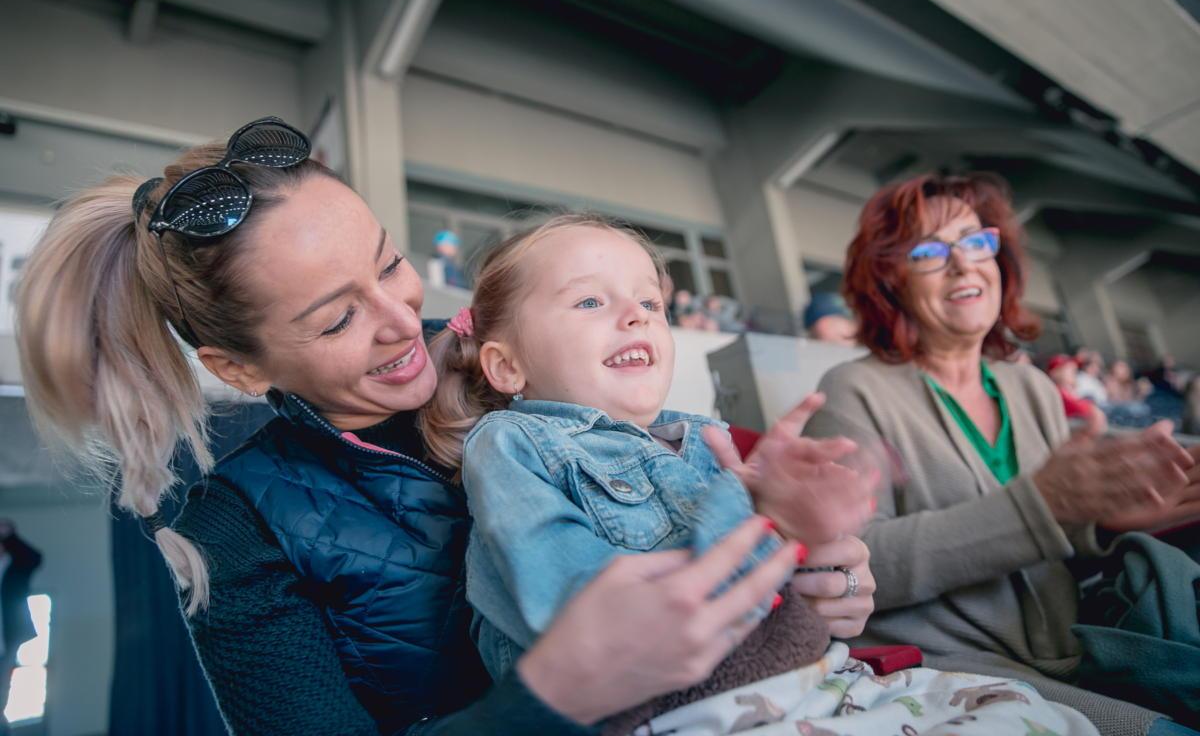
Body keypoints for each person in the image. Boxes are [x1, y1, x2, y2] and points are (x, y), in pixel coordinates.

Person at [14, 116, 871, 736]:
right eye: (336, 318)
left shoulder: (524, 358)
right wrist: (553, 696)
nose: (402, 320)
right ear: (240, 369)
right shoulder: (236, 529)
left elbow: (695, 515)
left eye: (390, 262)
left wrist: (819, 568)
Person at [420, 214, 1098, 736]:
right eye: (590, 303)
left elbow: (790, 595)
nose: (634, 315)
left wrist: (820, 544)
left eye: (650, 303)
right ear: (506, 367)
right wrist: (757, 511)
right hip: (675, 714)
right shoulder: (510, 442)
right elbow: (577, 607)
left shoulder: (700, 434)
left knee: (1032, 713)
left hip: (803, 680)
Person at [803, 172, 1200, 736]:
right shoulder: (851, 389)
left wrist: (1101, 527)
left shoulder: (1026, 385)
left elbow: (1057, 534)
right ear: (889, 278)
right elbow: (856, 562)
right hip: (953, 666)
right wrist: (1043, 506)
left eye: (975, 242)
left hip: (1075, 646)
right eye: (930, 251)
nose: (963, 264)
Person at [0, 520, 42, 736]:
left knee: (2, 691)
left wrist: (9, 535)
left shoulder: (16, 565)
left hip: (6, 641)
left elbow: (34, 558)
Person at [1047, 354, 1108, 434]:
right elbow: (1090, 411)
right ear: (1056, 372)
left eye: (1074, 368)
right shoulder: (1057, 392)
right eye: (1068, 368)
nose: (1074, 370)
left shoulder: (1070, 391)